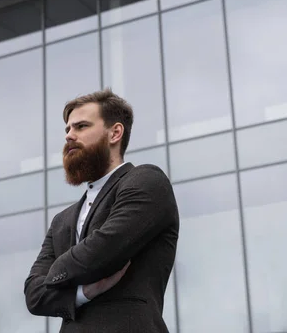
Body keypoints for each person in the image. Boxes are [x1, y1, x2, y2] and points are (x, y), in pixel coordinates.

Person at [24, 88, 179, 332]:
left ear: (115, 133)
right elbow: (34, 295)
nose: (69, 136)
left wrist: (55, 272)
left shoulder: (146, 181)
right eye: (67, 129)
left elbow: (104, 251)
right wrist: (83, 293)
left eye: (81, 126)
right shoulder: (61, 221)